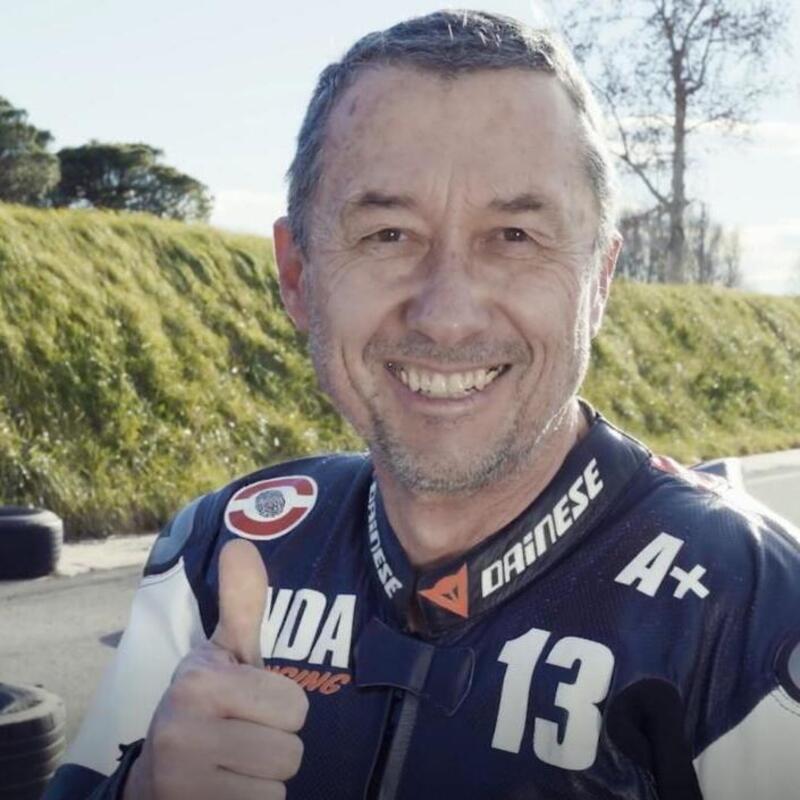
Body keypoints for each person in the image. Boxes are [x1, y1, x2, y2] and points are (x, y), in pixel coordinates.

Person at [44, 9, 800, 800]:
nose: (446, 316)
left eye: (514, 235)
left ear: (600, 280)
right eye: (389, 235)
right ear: (297, 276)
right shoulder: (218, 551)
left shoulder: (752, 612)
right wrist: (140, 789)